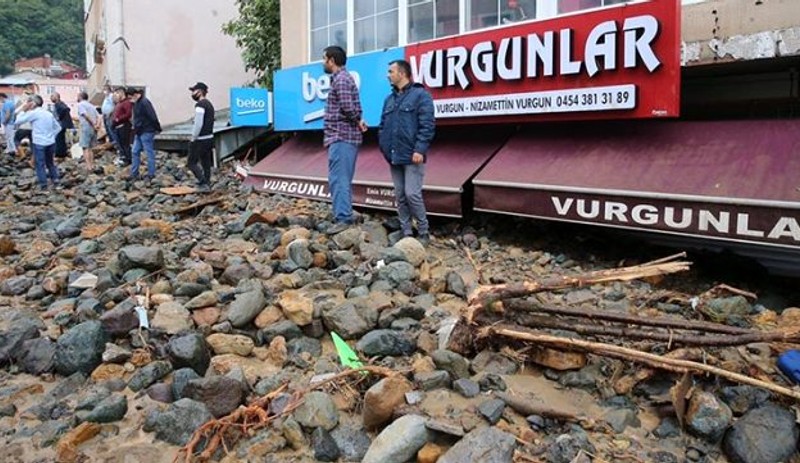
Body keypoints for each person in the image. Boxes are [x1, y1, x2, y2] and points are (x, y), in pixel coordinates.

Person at [378, 59, 436, 245]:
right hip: (394, 155)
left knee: (412, 194)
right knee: (400, 196)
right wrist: (384, 148)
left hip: (413, 155)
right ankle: (406, 232)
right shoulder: (388, 99)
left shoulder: (421, 95)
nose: (388, 75)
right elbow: (382, 126)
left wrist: (420, 148)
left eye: (391, 71)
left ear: (402, 74)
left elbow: (427, 125)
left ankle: (424, 231)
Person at [321, 45, 367, 235]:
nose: (322, 62)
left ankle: (343, 218)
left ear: (332, 60)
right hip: (343, 136)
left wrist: (357, 120)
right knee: (341, 178)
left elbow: (349, 108)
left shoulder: (340, 80)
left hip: (341, 136)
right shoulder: (343, 79)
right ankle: (343, 213)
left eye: (324, 58)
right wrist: (358, 121)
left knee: (339, 178)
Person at [13, 95, 61, 189]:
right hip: (51, 142)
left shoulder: (34, 113)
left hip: (39, 142)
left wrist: (23, 110)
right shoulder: (48, 113)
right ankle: (55, 180)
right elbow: (58, 127)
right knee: (50, 162)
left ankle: (43, 185)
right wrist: (52, 136)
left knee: (40, 164)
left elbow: (17, 121)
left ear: (33, 103)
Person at [127, 87, 161, 181]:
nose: (130, 100)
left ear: (134, 95)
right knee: (135, 151)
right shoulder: (137, 103)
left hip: (146, 131)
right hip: (139, 131)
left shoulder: (144, 102)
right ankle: (134, 173)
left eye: (130, 98)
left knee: (148, 152)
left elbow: (152, 116)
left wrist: (157, 128)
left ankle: (151, 174)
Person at [187, 82, 214, 192]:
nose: (193, 93)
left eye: (194, 90)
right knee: (206, 162)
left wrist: (193, 138)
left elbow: (198, 124)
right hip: (209, 137)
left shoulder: (200, 105)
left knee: (191, 162)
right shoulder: (209, 104)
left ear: (200, 91)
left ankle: (203, 182)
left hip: (200, 139)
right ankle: (207, 181)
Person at [76, 91, 100, 170]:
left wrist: (93, 124)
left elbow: (85, 115)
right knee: (91, 148)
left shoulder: (80, 105)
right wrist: (97, 125)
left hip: (86, 127)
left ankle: (88, 166)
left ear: (80, 97)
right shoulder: (91, 106)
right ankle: (92, 165)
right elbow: (99, 116)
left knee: (85, 147)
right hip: (94, 128)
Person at [112, 88, 133, 166]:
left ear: (122, 93)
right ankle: (123, 157)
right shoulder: (119, 103)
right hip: (117, 126)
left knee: (125, 144)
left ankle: (128, 159)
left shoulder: (126, 103)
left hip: (123, 126)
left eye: (117, 93)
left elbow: (128, 114)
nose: (116, 95)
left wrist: (118, 119)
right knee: (120, 143)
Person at [50, 92, 74, 158]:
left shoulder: (58, 104)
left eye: (52, 96)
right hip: (61, 124)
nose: (51, 98)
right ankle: (62, 152)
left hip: (60, 125)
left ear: (57, 97)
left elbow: (65, 109)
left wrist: (59, 118)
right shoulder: (60, 104)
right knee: (61, 139)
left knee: (58, 139)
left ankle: (59, 153)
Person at [100, 84, 119, 155]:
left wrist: (110, 113)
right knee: (108, 131)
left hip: (110, 116)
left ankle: (116, 145)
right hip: (105, 116)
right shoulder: (106, 97)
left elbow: (115, 105)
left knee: (112, 130)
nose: (104, 91)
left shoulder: (111, 96)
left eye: (105, 89)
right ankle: (112, 145)